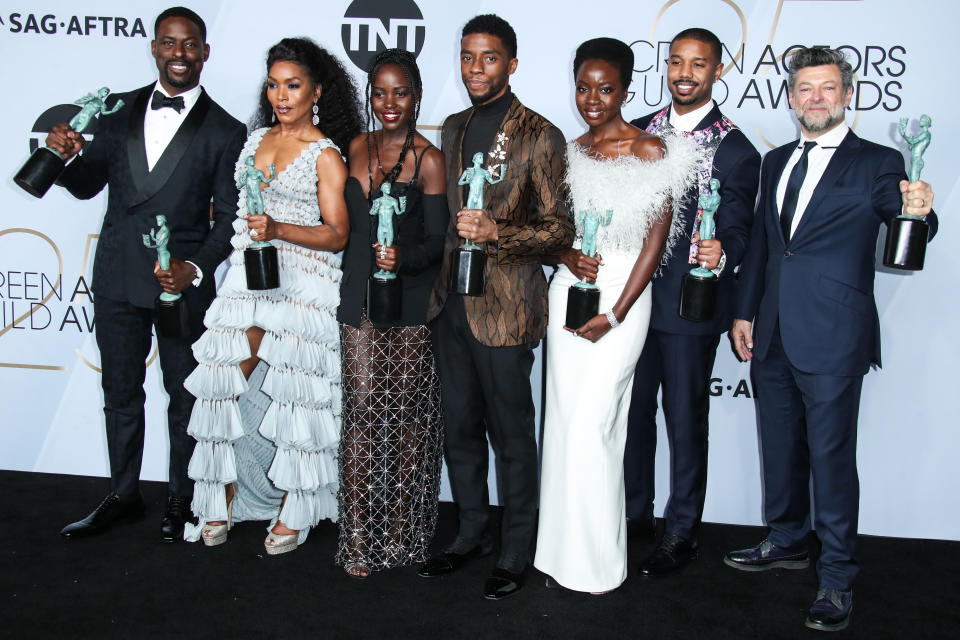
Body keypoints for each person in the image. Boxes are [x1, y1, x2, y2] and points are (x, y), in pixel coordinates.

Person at [725, 46, 937, 632]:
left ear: (847, 95)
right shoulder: (773, 163)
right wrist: (744, 315)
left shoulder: (877, 161)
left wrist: (922, 209)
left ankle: (838, 576)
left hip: (834, 334)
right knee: (780, 448)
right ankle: (788, 540)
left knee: (831, 459)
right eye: (804, 89)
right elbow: (767, 249)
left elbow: (907, 212)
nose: (814, 99)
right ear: (790, 97)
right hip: (770, 332)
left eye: (826, 88)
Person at [51, 6, 246, 542]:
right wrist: (68, 157)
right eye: (169, 43)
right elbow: (91, 184)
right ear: (154, 48)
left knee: (184, 394)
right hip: (116, 274)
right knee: (120, 389)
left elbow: (230, 218)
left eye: (189, 45)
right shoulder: (117, 112)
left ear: (205, 52)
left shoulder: (227, 130)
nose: (179, 54)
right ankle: (122, 494)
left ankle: (181, 500)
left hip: (178, 285)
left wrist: (196, 268)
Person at [182, 37, 361, 554]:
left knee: (294, 396)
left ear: (316, 91)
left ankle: (295, 509)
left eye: (293, 85)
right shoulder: (255, 137)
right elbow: (239, 212)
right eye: (274, 84)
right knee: (226, 387)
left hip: (302, 280)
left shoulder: (325, 155)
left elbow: (338, 234)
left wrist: (279, 227)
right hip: (246, 277)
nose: (282, 95)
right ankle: (225, 496)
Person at [417, 14, 574, 600]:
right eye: (466, 57)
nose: (475, 69)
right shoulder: (454, 127)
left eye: (487, 58)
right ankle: (472, 533)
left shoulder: (540, 133)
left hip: (506, 309)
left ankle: (516, 550)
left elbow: (560, 229)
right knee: (459, 429)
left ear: (512, 62)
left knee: (511, 435)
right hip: (452, 305)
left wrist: (495, 232)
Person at [534, 37, 698, 594]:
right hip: (570, 291)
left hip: (623, 297)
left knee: (594, 427)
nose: (592, 99)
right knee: (561, 424)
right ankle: (558, 555)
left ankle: (597, 564)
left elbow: (657, 240)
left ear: (627, 89)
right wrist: (564, 257)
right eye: (583, 87)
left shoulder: (651, 149)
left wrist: (617, 313)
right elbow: (551, 232)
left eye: (605, 88)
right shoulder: (569, 150)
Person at [623, 28, 761, 575]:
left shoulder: (737, 148)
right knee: (633, 418)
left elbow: (742, 230)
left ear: (717, 71)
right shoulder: (637, 132)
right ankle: (634, 517)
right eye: (677, 62)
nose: (685, 73)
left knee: (684, 421)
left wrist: (723, 247)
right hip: (632, 303)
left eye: (698, 64)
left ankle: (681, 531)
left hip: (691, 306)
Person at [336, 48, 447, 578]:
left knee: (404, 419)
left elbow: (439, 242)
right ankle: (357, 534)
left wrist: (404, 258)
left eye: (399, 92)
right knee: (360, 415)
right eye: (379, 92)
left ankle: (400, 530)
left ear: (416, 94)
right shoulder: (355, 147)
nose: (389, 103)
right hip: (357, 298)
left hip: (408, 305)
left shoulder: (429, 158)